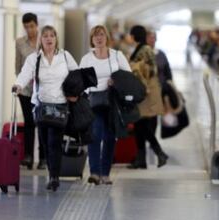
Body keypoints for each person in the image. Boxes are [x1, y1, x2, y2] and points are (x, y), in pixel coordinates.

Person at [14, 25, 78, 191]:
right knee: (45, 142)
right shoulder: (34, 59)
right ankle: (52, 172)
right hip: (41, 106)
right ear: (41, 40)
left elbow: (77, 76)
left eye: (52, 36)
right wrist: (18, 85)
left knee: (54, 141)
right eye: (45, 36)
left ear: (56, 38)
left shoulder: (65, 56)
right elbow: (24, 74)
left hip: (60, 105)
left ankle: (54, 176)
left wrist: (76, 92)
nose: (49, 39)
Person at [80, 25, 131, 185]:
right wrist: (89, 88)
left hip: (112, 101)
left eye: (101, 35)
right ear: (92, 39)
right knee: (95, 135)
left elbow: (128, 76)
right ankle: (94, 172)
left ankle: (105, 173)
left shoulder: (117, 55)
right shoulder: (87, 58)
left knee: (109, 137)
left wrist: (116, 80)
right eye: (95, 36)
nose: (99, 38)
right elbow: (80, 80)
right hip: (93, 101)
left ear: (106, 37)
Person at [128, 25, 167, 169]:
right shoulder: (142, 48)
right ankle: (142, 159)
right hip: (142, 92)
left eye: (131, 35)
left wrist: (134, 67)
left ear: (134, 36)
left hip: (145, 92)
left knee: (142, 125)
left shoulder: (145, 50)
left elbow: (151, 70)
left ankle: (159, 153)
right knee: (139, 126)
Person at [15, 13, 46, 170]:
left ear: (37, 25)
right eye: (26, 26)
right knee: (29, 123)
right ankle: (28, 156)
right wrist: (21, 83)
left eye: (32, 26)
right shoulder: (20, 43)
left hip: (43, 90)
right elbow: (18, 66)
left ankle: (43, 158)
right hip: (26, 90)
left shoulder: (45, 40)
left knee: (42, 122)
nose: (29, 29)